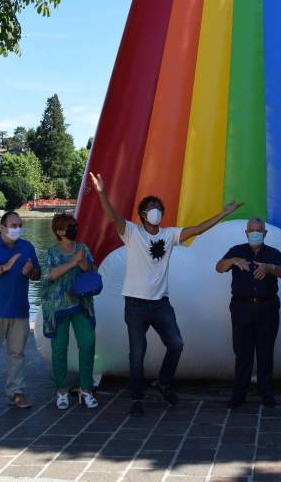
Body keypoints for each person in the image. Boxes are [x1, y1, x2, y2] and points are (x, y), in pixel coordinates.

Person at [89, 171, 242, 416]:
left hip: (160, 304)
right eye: (151, 208)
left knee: (176, 345)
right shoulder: (132, 233)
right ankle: (137, 399)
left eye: (159, 208)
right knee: (137, 354)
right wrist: (101, 192)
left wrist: (224, 213)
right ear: (142, 214)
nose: (156, 211)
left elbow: (197, 229)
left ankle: (164, 382)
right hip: (136, 305)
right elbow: (113, 217)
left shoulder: (169, 235)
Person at [216, 217, 281, 409]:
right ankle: (239, 394)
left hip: (267, 308)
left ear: (265, 233)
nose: (255, 233)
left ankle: (266, 393)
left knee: (266, 351)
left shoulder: (273, 254)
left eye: (259, 230)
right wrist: (232, 260)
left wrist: (270, 268)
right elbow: (219, 267)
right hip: (242, 308)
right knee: (242, 353)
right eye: (252, 230)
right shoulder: (237, 251)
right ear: (247, 232)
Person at [0, 211, 41, 414]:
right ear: (2, 227)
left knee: (17, 355)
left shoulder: (27, 247)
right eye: (13, 225)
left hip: (19, 310)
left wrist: (31, 272)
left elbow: (37, 275)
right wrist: (5, 267)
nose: (17, 229)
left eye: (19, 225)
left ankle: (16, 393)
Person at [41, 214, 98, 410]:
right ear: (59, 231)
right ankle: (62, 391)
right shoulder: (51, 252)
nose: (74, 228)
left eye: (75, 224)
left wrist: (82, 263)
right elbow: (50, 275)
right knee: (59, 348)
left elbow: (91, 270)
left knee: (88, 343)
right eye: (70, 226)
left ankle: (86, 389)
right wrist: (73, 262)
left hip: (81, 304)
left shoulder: (83, 248)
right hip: (58, 308)